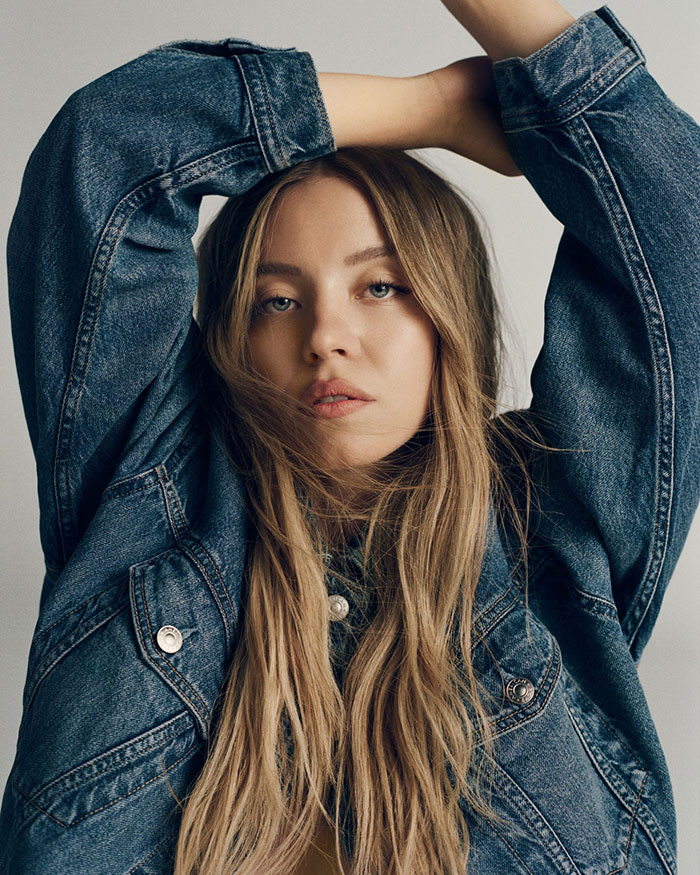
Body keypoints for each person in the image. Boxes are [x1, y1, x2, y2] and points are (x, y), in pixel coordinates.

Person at [1, 0, 698, 872]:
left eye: (380, 287)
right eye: (277, 299)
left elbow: (682, 243)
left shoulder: (551, 526)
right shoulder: (148, 498)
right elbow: (104, 152)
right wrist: (431, 110)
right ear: (230, 337)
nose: (325, 335)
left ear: (450, 316)